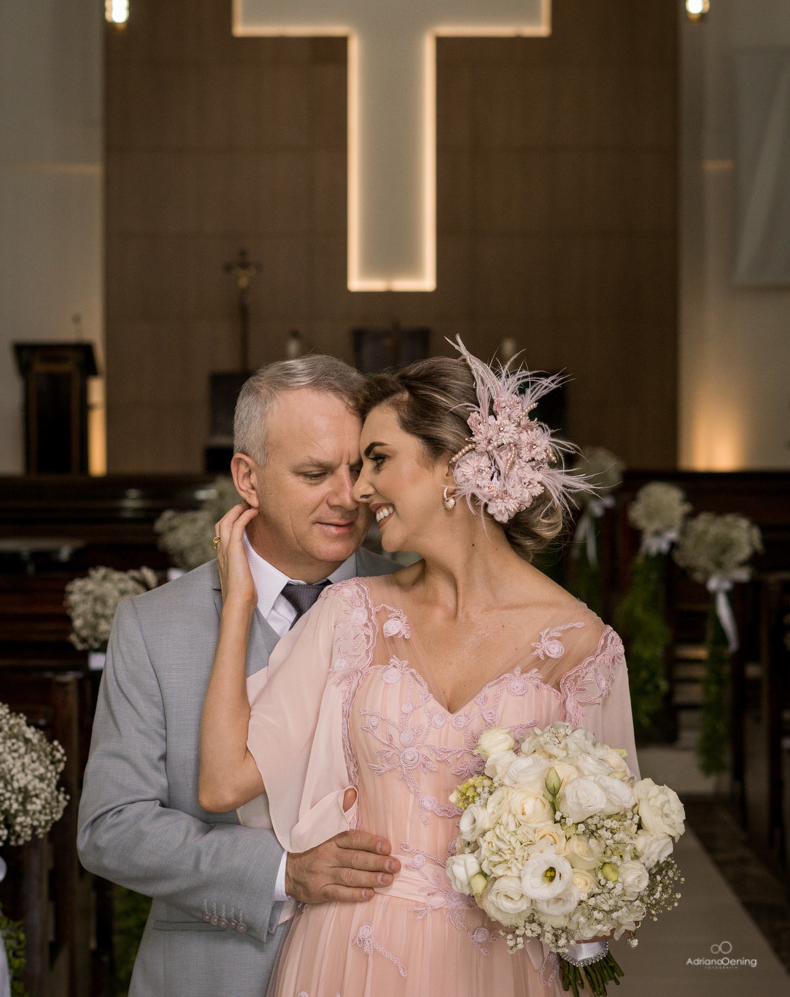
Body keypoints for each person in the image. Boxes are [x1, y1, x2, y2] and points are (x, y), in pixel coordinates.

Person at [200, 340, 640, 996]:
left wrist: (564, 892)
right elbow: (222, 783)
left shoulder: (581, 646)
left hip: (498, 968)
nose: (360, 489)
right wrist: (237, 604)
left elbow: (609, 871)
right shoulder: (352, 615)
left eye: (378, 460)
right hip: (348, 956)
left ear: (456, 467)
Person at [77, 355, 402, 997]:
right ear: (247, 479)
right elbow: (110, 828)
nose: (347, 496)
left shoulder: (419, 596)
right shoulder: (154, 625)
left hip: (389, 964)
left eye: (358, 468)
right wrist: (280, 871)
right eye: (314, 473)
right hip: (215, 972)